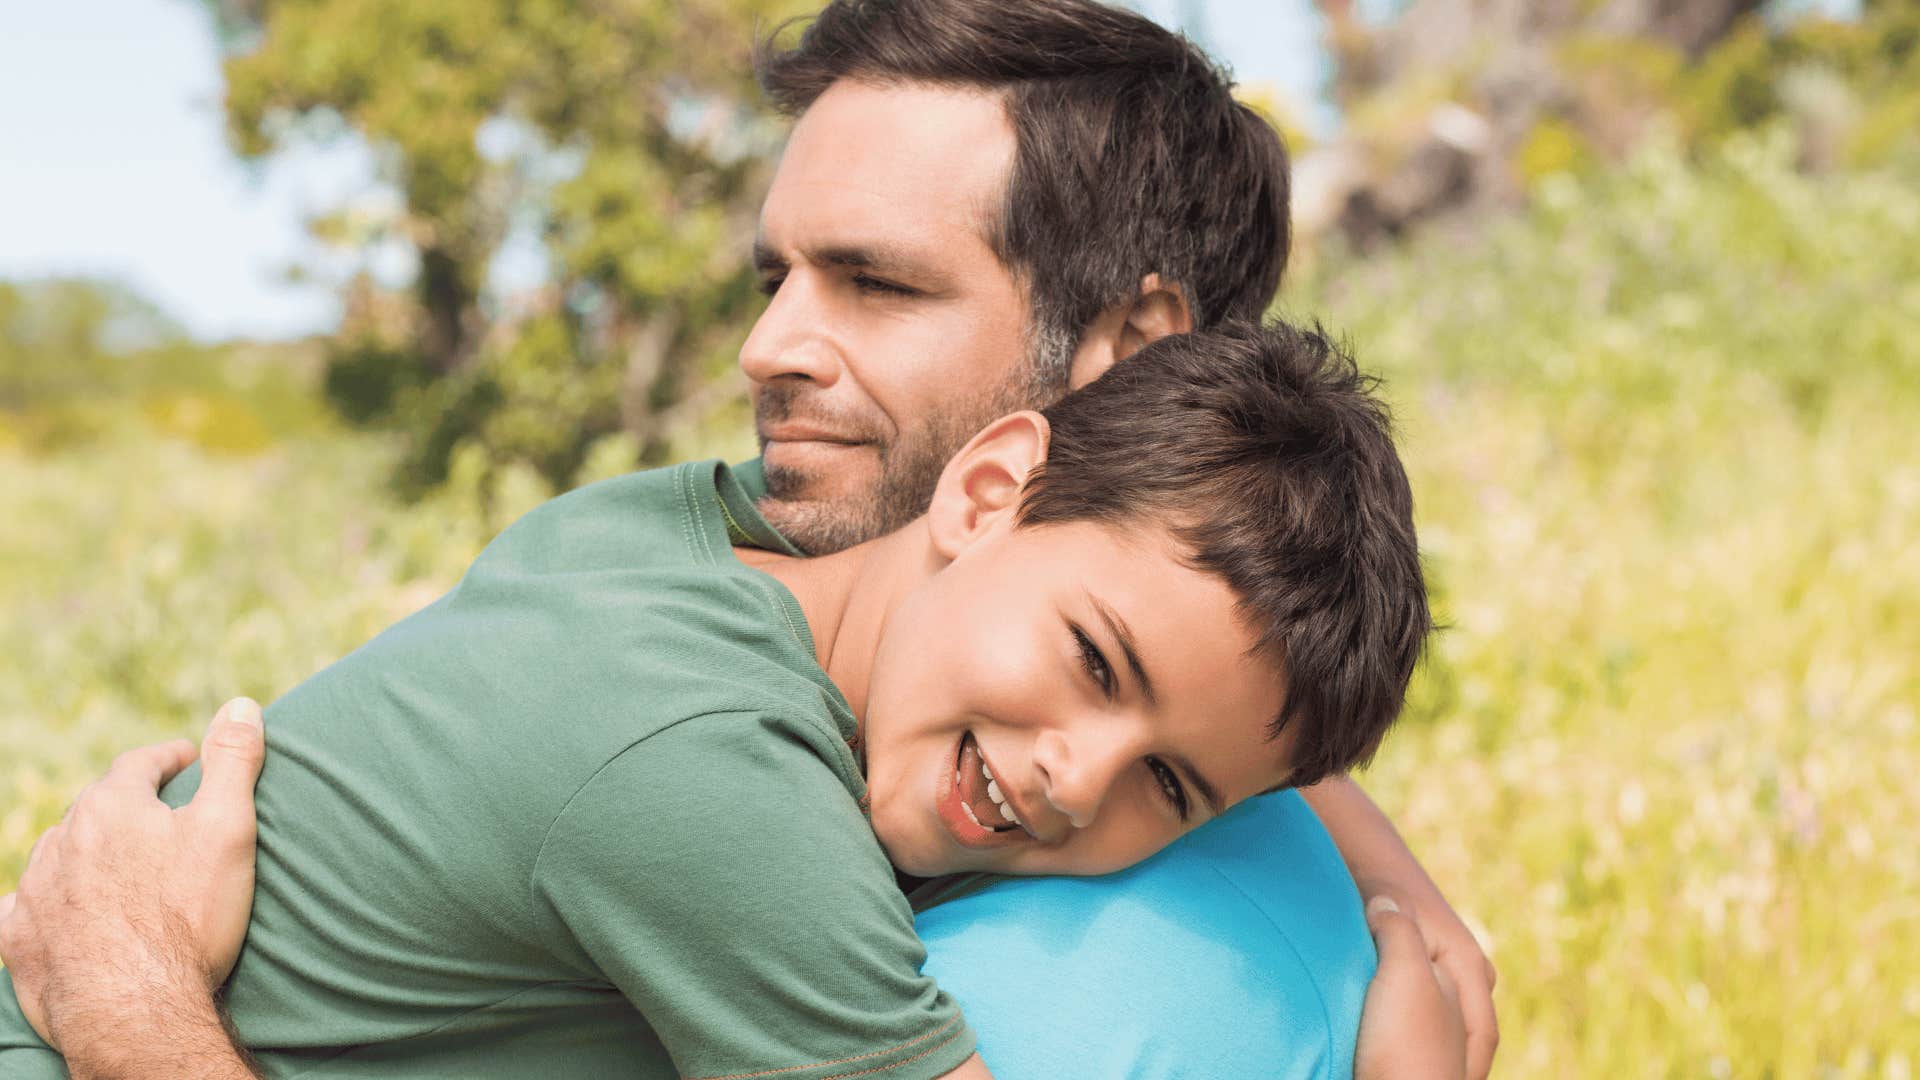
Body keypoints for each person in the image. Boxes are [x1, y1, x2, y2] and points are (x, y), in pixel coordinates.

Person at [0, 0, 1495, 1075]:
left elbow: (1214, 690)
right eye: (778, 274)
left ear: (1125, 353)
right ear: (992, 492)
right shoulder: (705, 749)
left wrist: (1385, 876)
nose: (769, 347)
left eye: (875, 285)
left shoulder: (692, 566)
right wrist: (131, 1004)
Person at [1, 320, 1427, 1080]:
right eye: (1097, 665)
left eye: (1168, 788)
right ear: (987, 489)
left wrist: (1404, 901)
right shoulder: (725, 786)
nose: (1076, 779)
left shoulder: (677, 537)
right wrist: (139, 1030)